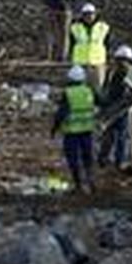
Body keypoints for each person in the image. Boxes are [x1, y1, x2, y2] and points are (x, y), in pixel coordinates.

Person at [52, 63, 98, 194]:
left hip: (72, 132)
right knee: (87, 157)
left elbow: (61, 113)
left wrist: (54, 128)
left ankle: (78, 185)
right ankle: (90, 181)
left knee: (73, 158)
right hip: (87, 130)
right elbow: (102, 101)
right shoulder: (90, 90)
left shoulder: (68, 93)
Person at [98, 44, 132, 174]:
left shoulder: (116, 71)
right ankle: (118, 161)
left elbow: (108, 89)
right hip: (120, 108)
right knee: (120, 135)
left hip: (117, 107)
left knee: (114, 135)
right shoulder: (129, 72)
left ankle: (106, 159)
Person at [69, 2, 110, 89]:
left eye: (91, 14)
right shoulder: (75, 27)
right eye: (86, 15)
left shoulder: (103, 27)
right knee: (81, 89)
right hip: (80, 63)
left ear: (95, 14)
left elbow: (107, 44)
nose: (89, 17)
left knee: (98, 88)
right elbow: (71, 44)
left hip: (98, 63)